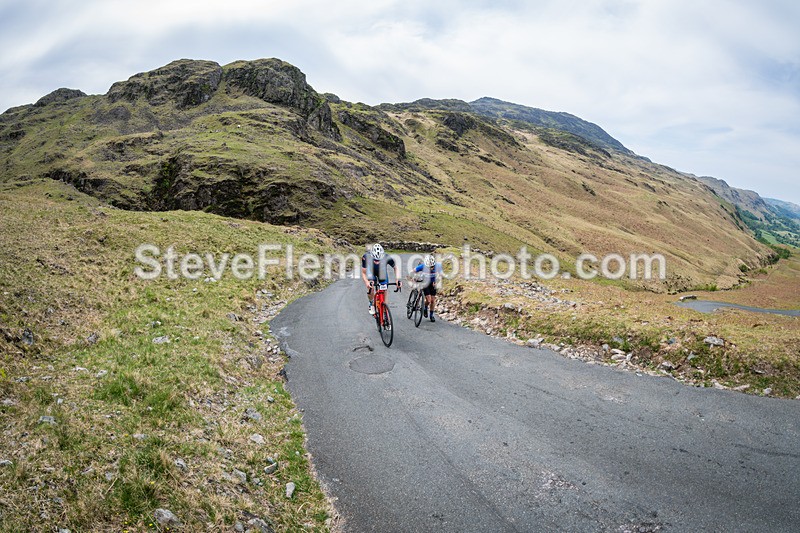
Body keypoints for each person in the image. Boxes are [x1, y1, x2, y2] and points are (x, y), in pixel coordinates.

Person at [361, 243, 401, 315]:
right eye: (375, 260)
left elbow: (396, 268)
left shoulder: (387, 257)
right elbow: (364, 273)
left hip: (382, 273)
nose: (377, 261)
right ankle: (371, 303)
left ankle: (385, 309)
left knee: (384, 289)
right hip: (371, 272)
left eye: (379, 260)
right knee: (371, 286)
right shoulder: (366, 257)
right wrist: (367, 282)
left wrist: (397, 279)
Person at [413, 254, 443, 322]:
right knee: (428, 300)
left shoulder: (438, 266)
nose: (431, 268)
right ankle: (425, 308)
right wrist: (414, 277)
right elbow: (413, 271)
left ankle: (431, 315)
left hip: (432, 283)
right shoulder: (422, 266)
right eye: (429, 267)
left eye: (432, 266)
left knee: (433, 301)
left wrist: (437, 281)